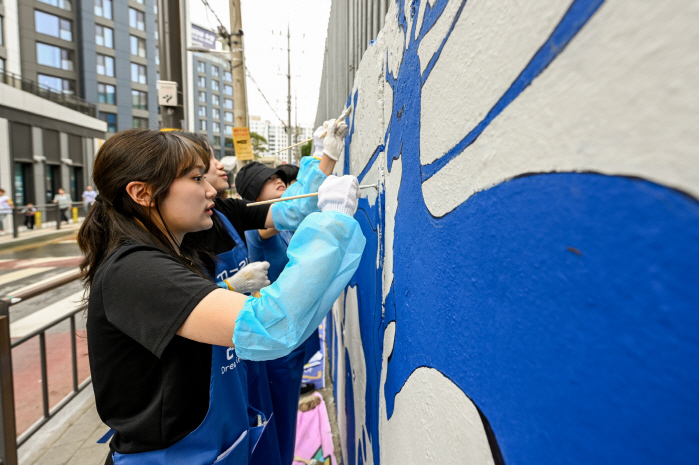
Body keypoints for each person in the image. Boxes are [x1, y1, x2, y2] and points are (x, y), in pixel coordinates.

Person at [78, 128, 364, 465]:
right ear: (142, 193)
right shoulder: (136, 270)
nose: (211, 189)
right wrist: (332, 225)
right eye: (197, 178)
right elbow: (269, 324)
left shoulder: (171, 249)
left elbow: (288, 211)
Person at [234, 119, 346, 465]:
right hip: (277, 341)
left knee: (285, 414)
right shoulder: (260, 231)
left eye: (279, 179)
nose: (279, 183)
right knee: (278, 421)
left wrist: (322, 154)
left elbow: (302, 200)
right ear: (254, 201)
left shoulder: (278, 224)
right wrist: (321, 154)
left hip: (290, 334)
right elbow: (299, 203)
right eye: (269, 183)